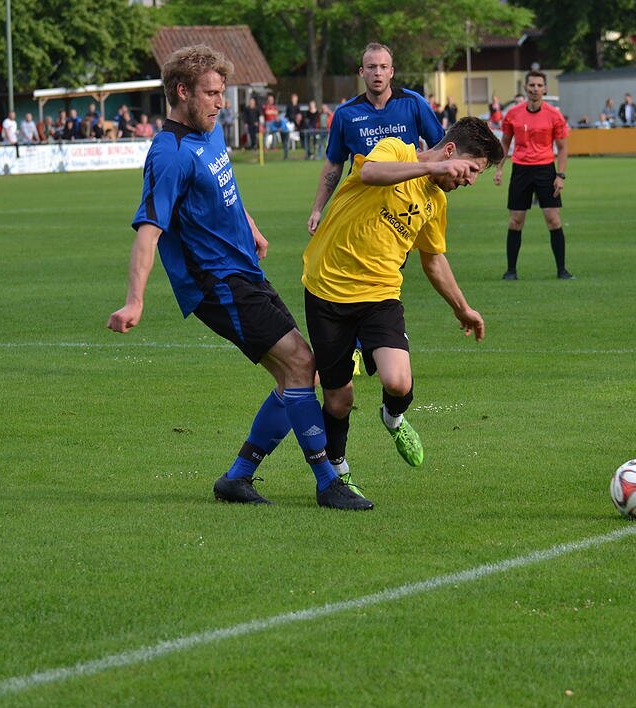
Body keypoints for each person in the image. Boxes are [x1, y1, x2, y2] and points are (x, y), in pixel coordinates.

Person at [106, 44, 363, 510]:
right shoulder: (171, 154)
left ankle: (238, 477)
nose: (220, 102)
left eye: (221, 92)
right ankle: (328, 482)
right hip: (217, 285)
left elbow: (226, 189)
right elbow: (148, 232)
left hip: (244, 270)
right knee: (302, 364)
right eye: (211, 93)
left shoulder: (210, 133)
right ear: (182, 92)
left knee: (296, 376)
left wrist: (252, 228)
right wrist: (135, 300)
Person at [302, 117, 502, 491]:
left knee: (398, 380)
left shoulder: (436, 202)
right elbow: (371, 173)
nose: (470, 180)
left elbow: (433, 259)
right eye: (471, 169)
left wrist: (462, 307)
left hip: (380, 295)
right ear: (450, 152)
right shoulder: (396, 148)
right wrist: (432, 166)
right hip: (327, 290)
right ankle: (340, 473)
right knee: (339, 399)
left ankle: (393, 418)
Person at [307, 43, 444, 235]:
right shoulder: (345, 113)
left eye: (383, 67)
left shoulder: (413, 102)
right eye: (371, 67)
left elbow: (441, 145)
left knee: (428, 257)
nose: (377, 73)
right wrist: (317, 209)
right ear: (362, 72)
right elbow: (334, 164)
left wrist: (432, 177)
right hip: (362, 203)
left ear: (392, 72)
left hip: (406, 202)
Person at [493, 70, 573, 281]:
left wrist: (560, 175)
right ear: (525, 88)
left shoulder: (554, 115)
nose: (535, 89)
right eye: (532, 85)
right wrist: (499, 168)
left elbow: (563, 148)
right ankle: (511, 271)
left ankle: (562, 271)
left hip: (546, 170)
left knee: (553, 220)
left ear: (545, 88)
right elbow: (505, 143)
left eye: (539, 85)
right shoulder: (513, 113)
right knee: (516, 221)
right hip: (521, 170)